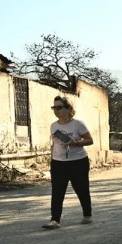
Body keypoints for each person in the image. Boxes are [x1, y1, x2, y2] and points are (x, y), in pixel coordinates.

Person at [43, 96, 94, 229]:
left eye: (59, 107)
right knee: (57, 192)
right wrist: (52, 161)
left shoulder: (78, 124)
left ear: (69, 108)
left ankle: (87, 214)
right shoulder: (53, 126)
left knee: (81, 189)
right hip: (58, 163)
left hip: (78, 162)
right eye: (54, 108)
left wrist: (75, 143)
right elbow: (54, 144)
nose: (56, 110)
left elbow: (90, 140)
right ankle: (55, 220)